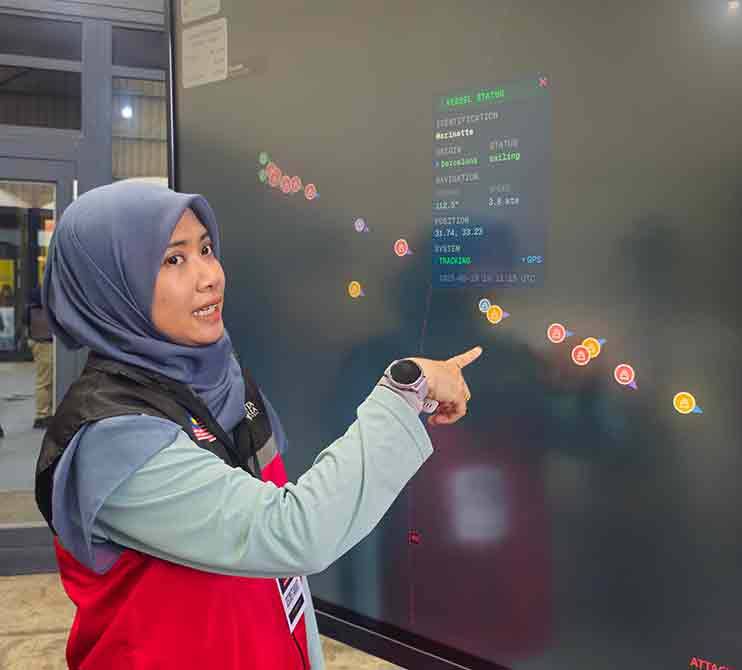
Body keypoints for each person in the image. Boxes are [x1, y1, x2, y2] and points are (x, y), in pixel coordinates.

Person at [33, 180, 481, 669]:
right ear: (109, 287)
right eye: (172, 259)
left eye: (206, 248)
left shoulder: (224, 381)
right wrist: (403, 393)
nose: (209, 276)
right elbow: (290, 531)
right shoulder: (111, 437)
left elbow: (282, 577)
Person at [26, 285, 53, 429]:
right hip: (44, 344)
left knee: (45, 380)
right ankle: (42, 415)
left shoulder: (30, 309)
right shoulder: (41, 310)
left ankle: (45, 412)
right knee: (44, 381)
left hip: (38, 342)